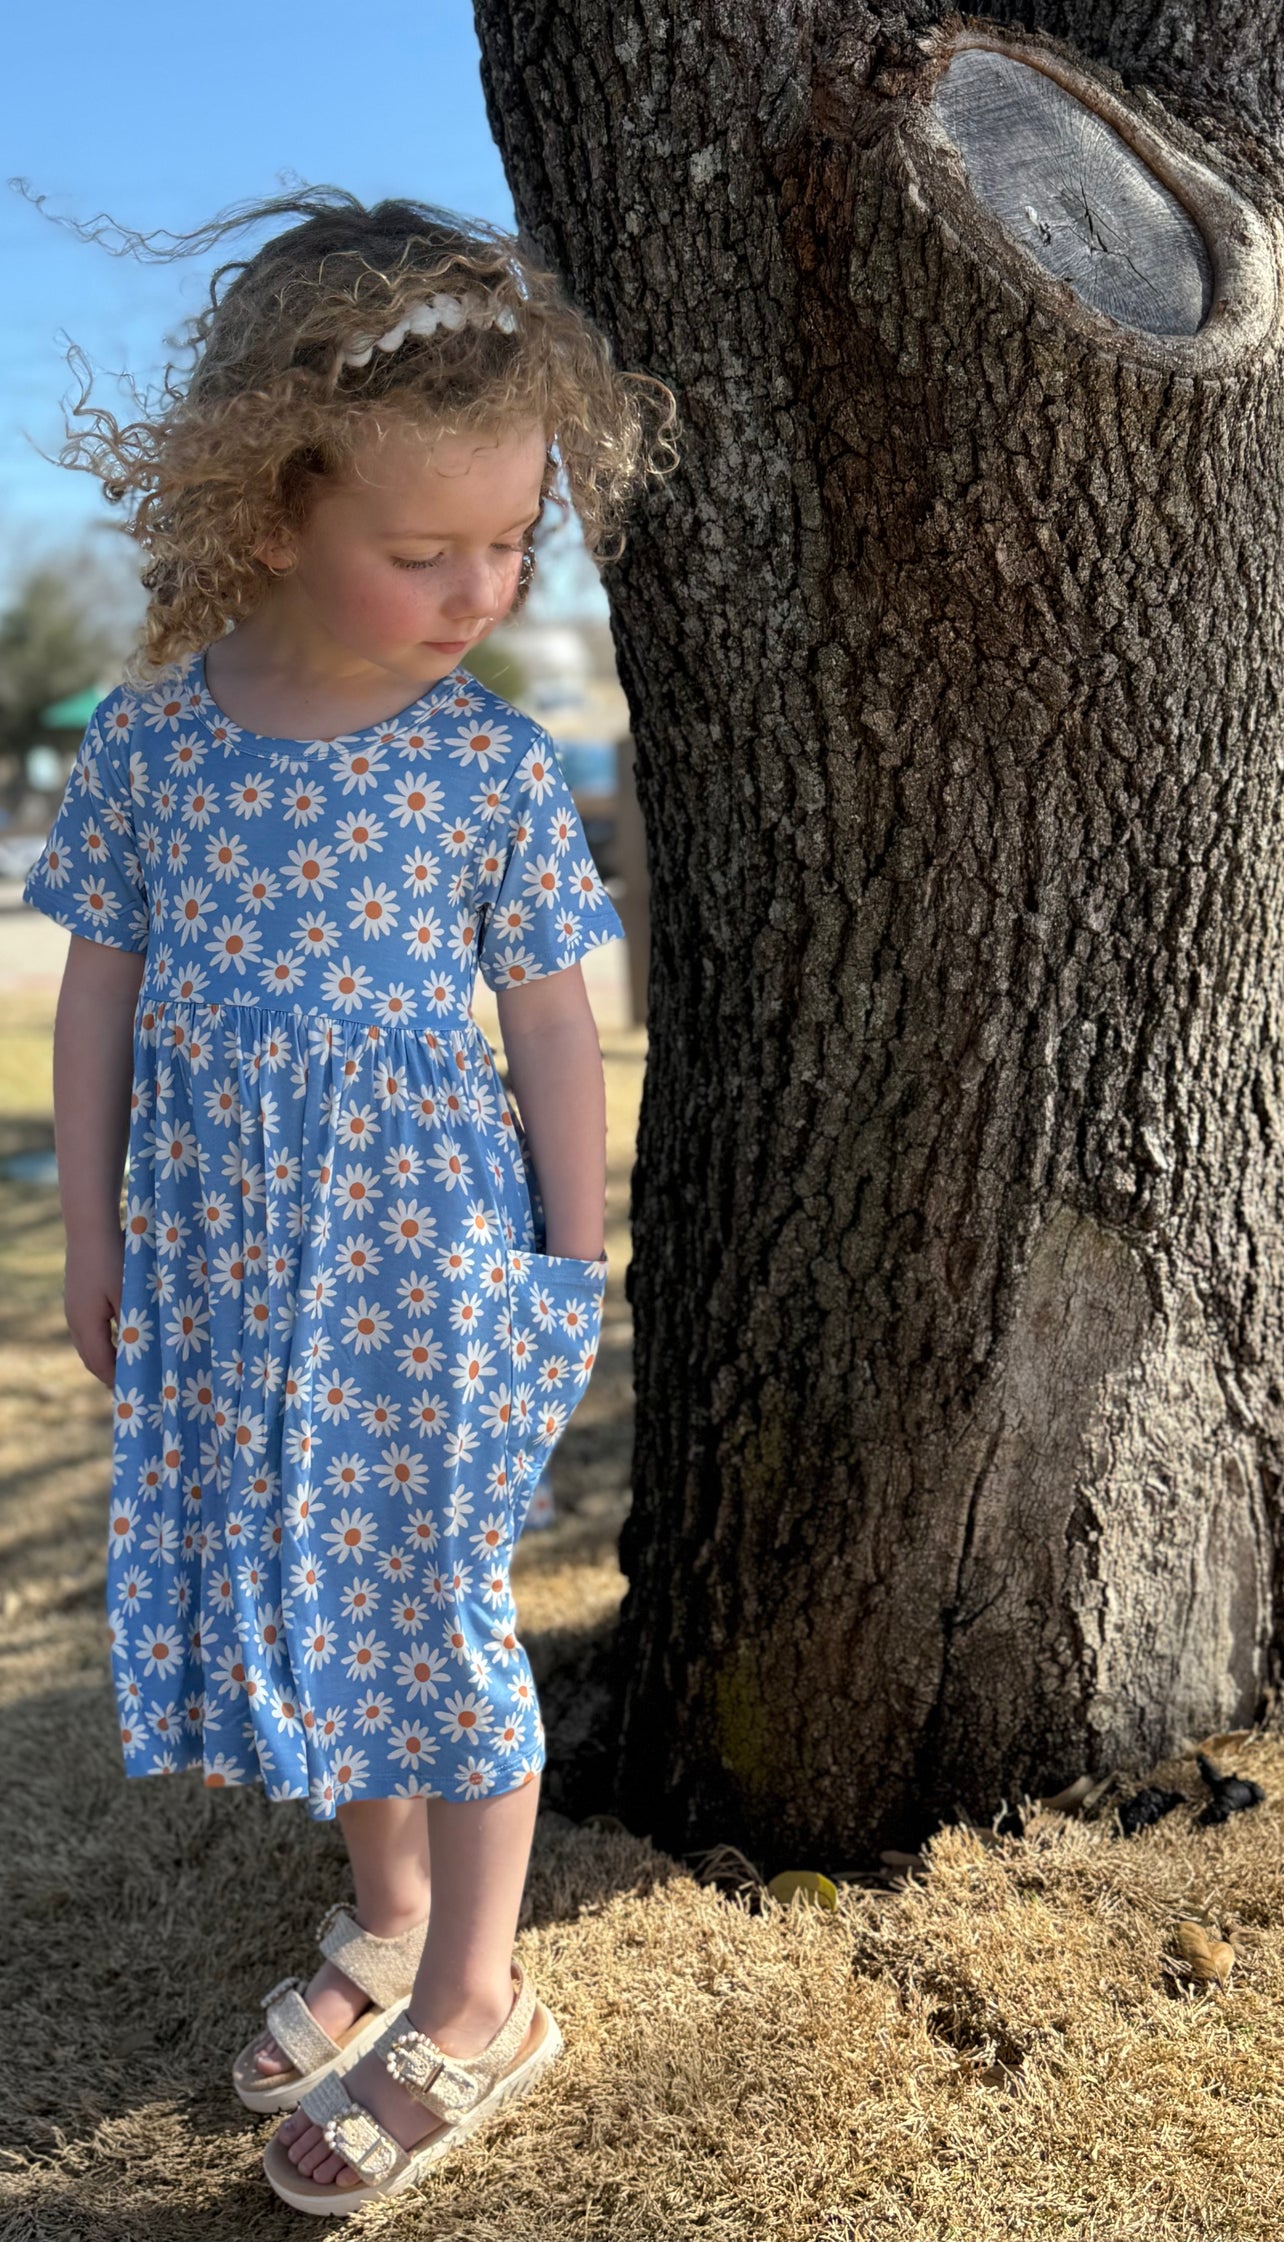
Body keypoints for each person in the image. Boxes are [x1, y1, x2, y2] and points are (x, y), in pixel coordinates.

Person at [22, 188, 676, 2214]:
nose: (483, 585)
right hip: (231, 1254)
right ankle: (389, 1910)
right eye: (427, 550)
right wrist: (98, 1228)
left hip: (432, 1260)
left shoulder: (480, 765)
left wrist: (577, 1247)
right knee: (314, 1594)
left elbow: (556, 1017)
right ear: (274, 504)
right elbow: (100, 995)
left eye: (513, 540)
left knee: (434, 1604)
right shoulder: (149, 745)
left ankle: (480, 1995)